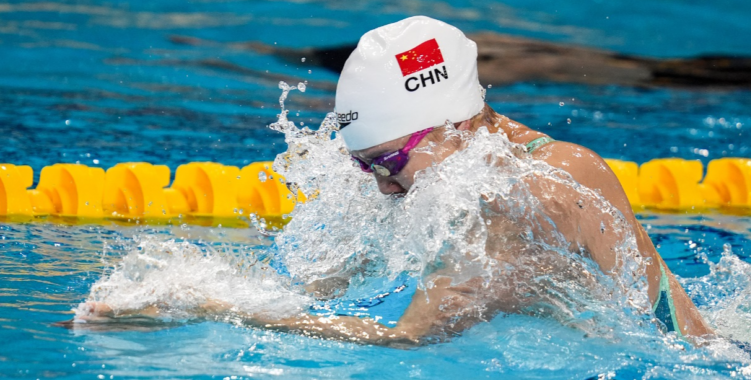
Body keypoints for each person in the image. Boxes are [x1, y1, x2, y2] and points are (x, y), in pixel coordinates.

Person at [74, 16, 712, 345]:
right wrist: (175, 288)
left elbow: (407, 338)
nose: (379, 187)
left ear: (451, 129)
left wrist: (214, 310)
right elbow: (317, 290)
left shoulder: (526, 192)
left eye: (387, 164)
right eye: (363, 166)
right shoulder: (453, 167)